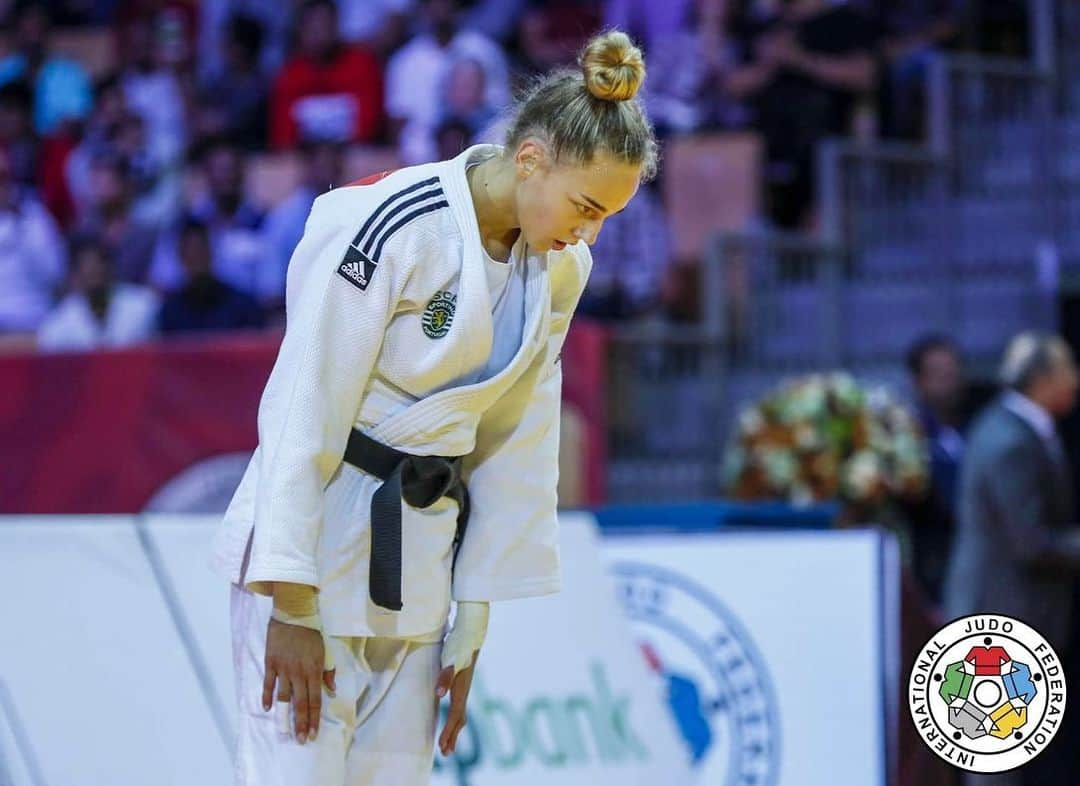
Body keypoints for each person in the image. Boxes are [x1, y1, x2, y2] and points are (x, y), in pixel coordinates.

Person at [210, 29, 656, 785]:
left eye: (607, 216)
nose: (591, 232)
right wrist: (289, 600)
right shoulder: (388, 222)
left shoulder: (561, 267)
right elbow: (302, 405)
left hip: (417, 574)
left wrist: (474, 610)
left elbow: (517, 433)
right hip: (316, 554)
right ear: (530, 160)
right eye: (586, 206)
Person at [904, 333, 967, 605]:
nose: (949, 381)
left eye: (953, 372)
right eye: (939, 374)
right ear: (919, 381)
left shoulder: (973, 428)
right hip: (932, 566)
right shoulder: (906, 437)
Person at [37, 234, 159, 352]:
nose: (94, 274)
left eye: (98, 267)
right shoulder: (63, 319)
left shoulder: (143, 304)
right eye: (88, 270)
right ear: (76, 275)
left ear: (109, 268)